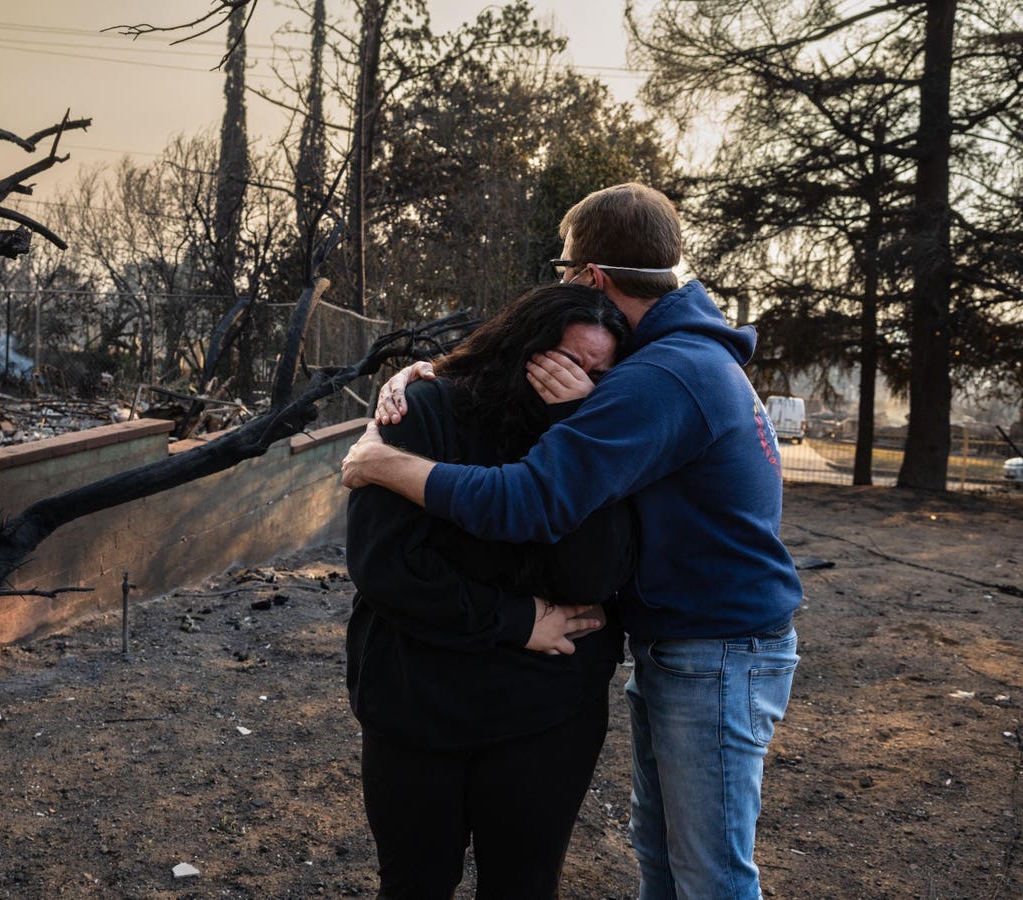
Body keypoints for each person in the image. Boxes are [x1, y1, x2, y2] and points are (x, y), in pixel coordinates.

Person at [343, 182, 802, 900]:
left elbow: (530, 501)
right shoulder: (676, 357)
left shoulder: (662, 374)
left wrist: (382, 463)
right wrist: (430, 374)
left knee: (708, 874)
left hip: (714, 649)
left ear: (591, 276)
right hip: (698, 642)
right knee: (668, 854)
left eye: (562, 270)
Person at [347, 282, 636, 899]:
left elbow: (592, 576)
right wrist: (515, 619)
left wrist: (574, 424)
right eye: (563, 362)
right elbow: (385, 565)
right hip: (419, 700)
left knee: (524, 887)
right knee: (414, 884)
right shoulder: (425, 409)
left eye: (596, 372)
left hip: (547, 712)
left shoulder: (596, 433)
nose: (576, 380)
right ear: (521, 346)